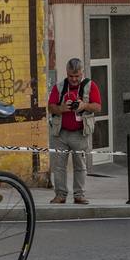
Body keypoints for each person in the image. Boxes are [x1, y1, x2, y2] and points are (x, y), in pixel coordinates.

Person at [47, 58, 101, 204]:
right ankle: (60, 195)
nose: (74, 79)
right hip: (61, 133)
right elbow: (50, 107)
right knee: (58, 166)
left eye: (77, 76)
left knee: (80, 166)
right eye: (71, 76)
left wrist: (84, 106)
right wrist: (61, 108)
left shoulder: (90, 86)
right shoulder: (59, 87)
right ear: (67, 73)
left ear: (82, 73)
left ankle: (79, 195)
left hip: (80, 133)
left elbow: (97, 107)